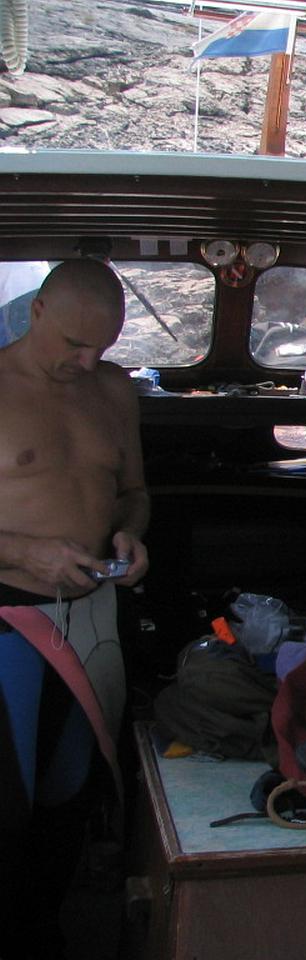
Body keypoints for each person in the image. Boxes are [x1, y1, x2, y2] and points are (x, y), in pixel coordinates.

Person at [0, 258, 149, 957]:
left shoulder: (114, 389)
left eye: (103, 347)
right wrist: (24, 555)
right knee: (10, 806)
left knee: (71, 792)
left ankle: (44, 931)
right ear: (36, 312)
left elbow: (134, 494)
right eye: (74, 344)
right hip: (10, 619)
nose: (87, 362)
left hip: (91, 616)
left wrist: (130, 534)